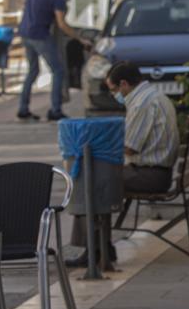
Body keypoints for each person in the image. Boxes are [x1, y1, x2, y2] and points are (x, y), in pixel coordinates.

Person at [66, 61, 180, 268]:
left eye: (113, 90)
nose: (114, 95)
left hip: (150, 175)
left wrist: (98, 150)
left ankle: (95, 250)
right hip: (154, 170)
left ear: (125, 84)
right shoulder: (152, 97)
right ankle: (99, 248)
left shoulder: (143, 104)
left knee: (90, 184)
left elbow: (130, 147)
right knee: (96, 179)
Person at [17, 0, 87, 122]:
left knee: (32, 71)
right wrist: (79, 38)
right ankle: (55, 109)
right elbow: (61, 24)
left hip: (25, 33)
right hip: (40, 35)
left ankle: (23, 109)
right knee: (58, 70)